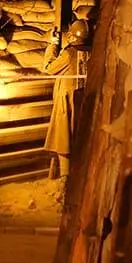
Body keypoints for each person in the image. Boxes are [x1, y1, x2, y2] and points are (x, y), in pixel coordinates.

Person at [42, 19, 90, 179]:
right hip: (83, 100)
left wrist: (53, 45)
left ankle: (65, 179)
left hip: (66, 101)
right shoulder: (91, 51)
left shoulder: (69, 53)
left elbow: (49, 68)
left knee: (63, 140)